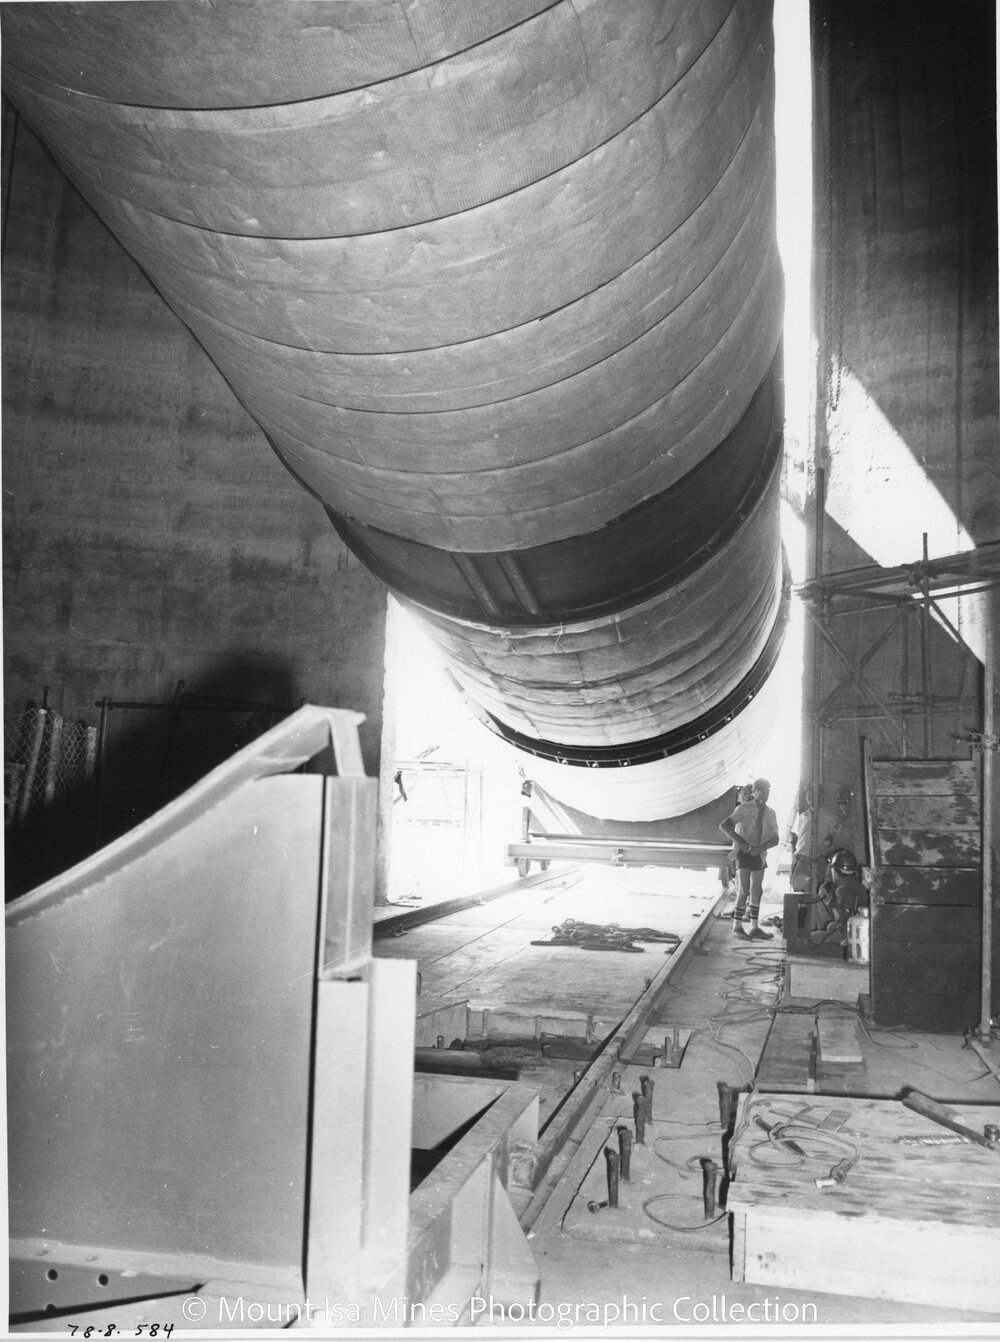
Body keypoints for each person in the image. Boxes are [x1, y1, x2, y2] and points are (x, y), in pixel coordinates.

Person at [720, 777, 780, 940]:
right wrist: (743, 844)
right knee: (744, 889)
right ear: (754, 792)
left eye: (767, 790)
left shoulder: (771, 813)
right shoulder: (744, 808)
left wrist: (759, 849)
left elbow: (775, 839)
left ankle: (754, 927)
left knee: (757, 890)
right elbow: (724, 825)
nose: (765, 794)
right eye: (761, 790)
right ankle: (737, 927)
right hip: (743, 852)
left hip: (759, 853)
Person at [788, 783, 842, 895]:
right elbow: (799, 839)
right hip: (802, 860)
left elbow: (834, 840)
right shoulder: (803, 817)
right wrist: (795, 857)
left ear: (821, 796)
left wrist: (823, 852)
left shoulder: (830, 817)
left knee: (819, 893)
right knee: (801, 892)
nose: (810, 799)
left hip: (820, 861)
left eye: (814, 795)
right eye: (808, 796)